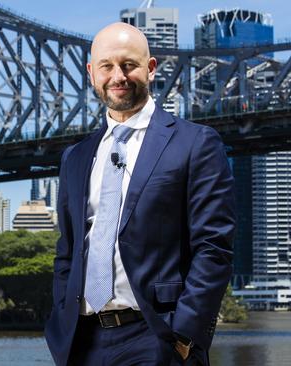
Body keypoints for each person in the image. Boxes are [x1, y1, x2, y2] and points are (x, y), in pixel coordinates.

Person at [44, 22, 235, 366]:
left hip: (156, 339)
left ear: (150, 68)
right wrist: (59, 324)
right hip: (81, 343)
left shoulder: (195, 143)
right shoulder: (75, 157)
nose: (118, 75)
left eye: (129, 65)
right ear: (91, 73)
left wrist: (184, 336)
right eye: (106, 66)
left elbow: (214, 247)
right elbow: (67, 254)